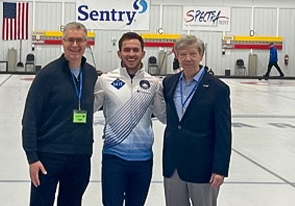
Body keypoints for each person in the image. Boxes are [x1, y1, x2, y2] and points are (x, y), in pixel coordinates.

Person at [22, 22, 98, 206]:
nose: (75, 45)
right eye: (70, 39)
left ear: (86, 43)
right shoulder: (47, 75)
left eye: (79, 40)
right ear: (62, 42)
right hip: (49, 156)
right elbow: (30, 118)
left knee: (72, 202)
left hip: (80, 156)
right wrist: (32, 158)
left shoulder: (91, 74)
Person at [94, 32, 166, 206]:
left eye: (135, 50)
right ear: (119, 53)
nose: (131, 54)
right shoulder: (105, 80)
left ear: (143, 53)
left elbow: (165, 116)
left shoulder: (154, 83)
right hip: (113, 158)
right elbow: (86, 110)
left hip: (143, 160)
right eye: (126, 50)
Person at [162, 34, 232, 206]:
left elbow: (223, 133)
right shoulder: (169, 83)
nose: (188, 58)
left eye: (193, 54)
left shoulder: (218, 89)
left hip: (204, 168)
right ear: (176, 56)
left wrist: (220, 168)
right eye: (183, 54)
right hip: (174, 167)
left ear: (201, 55)